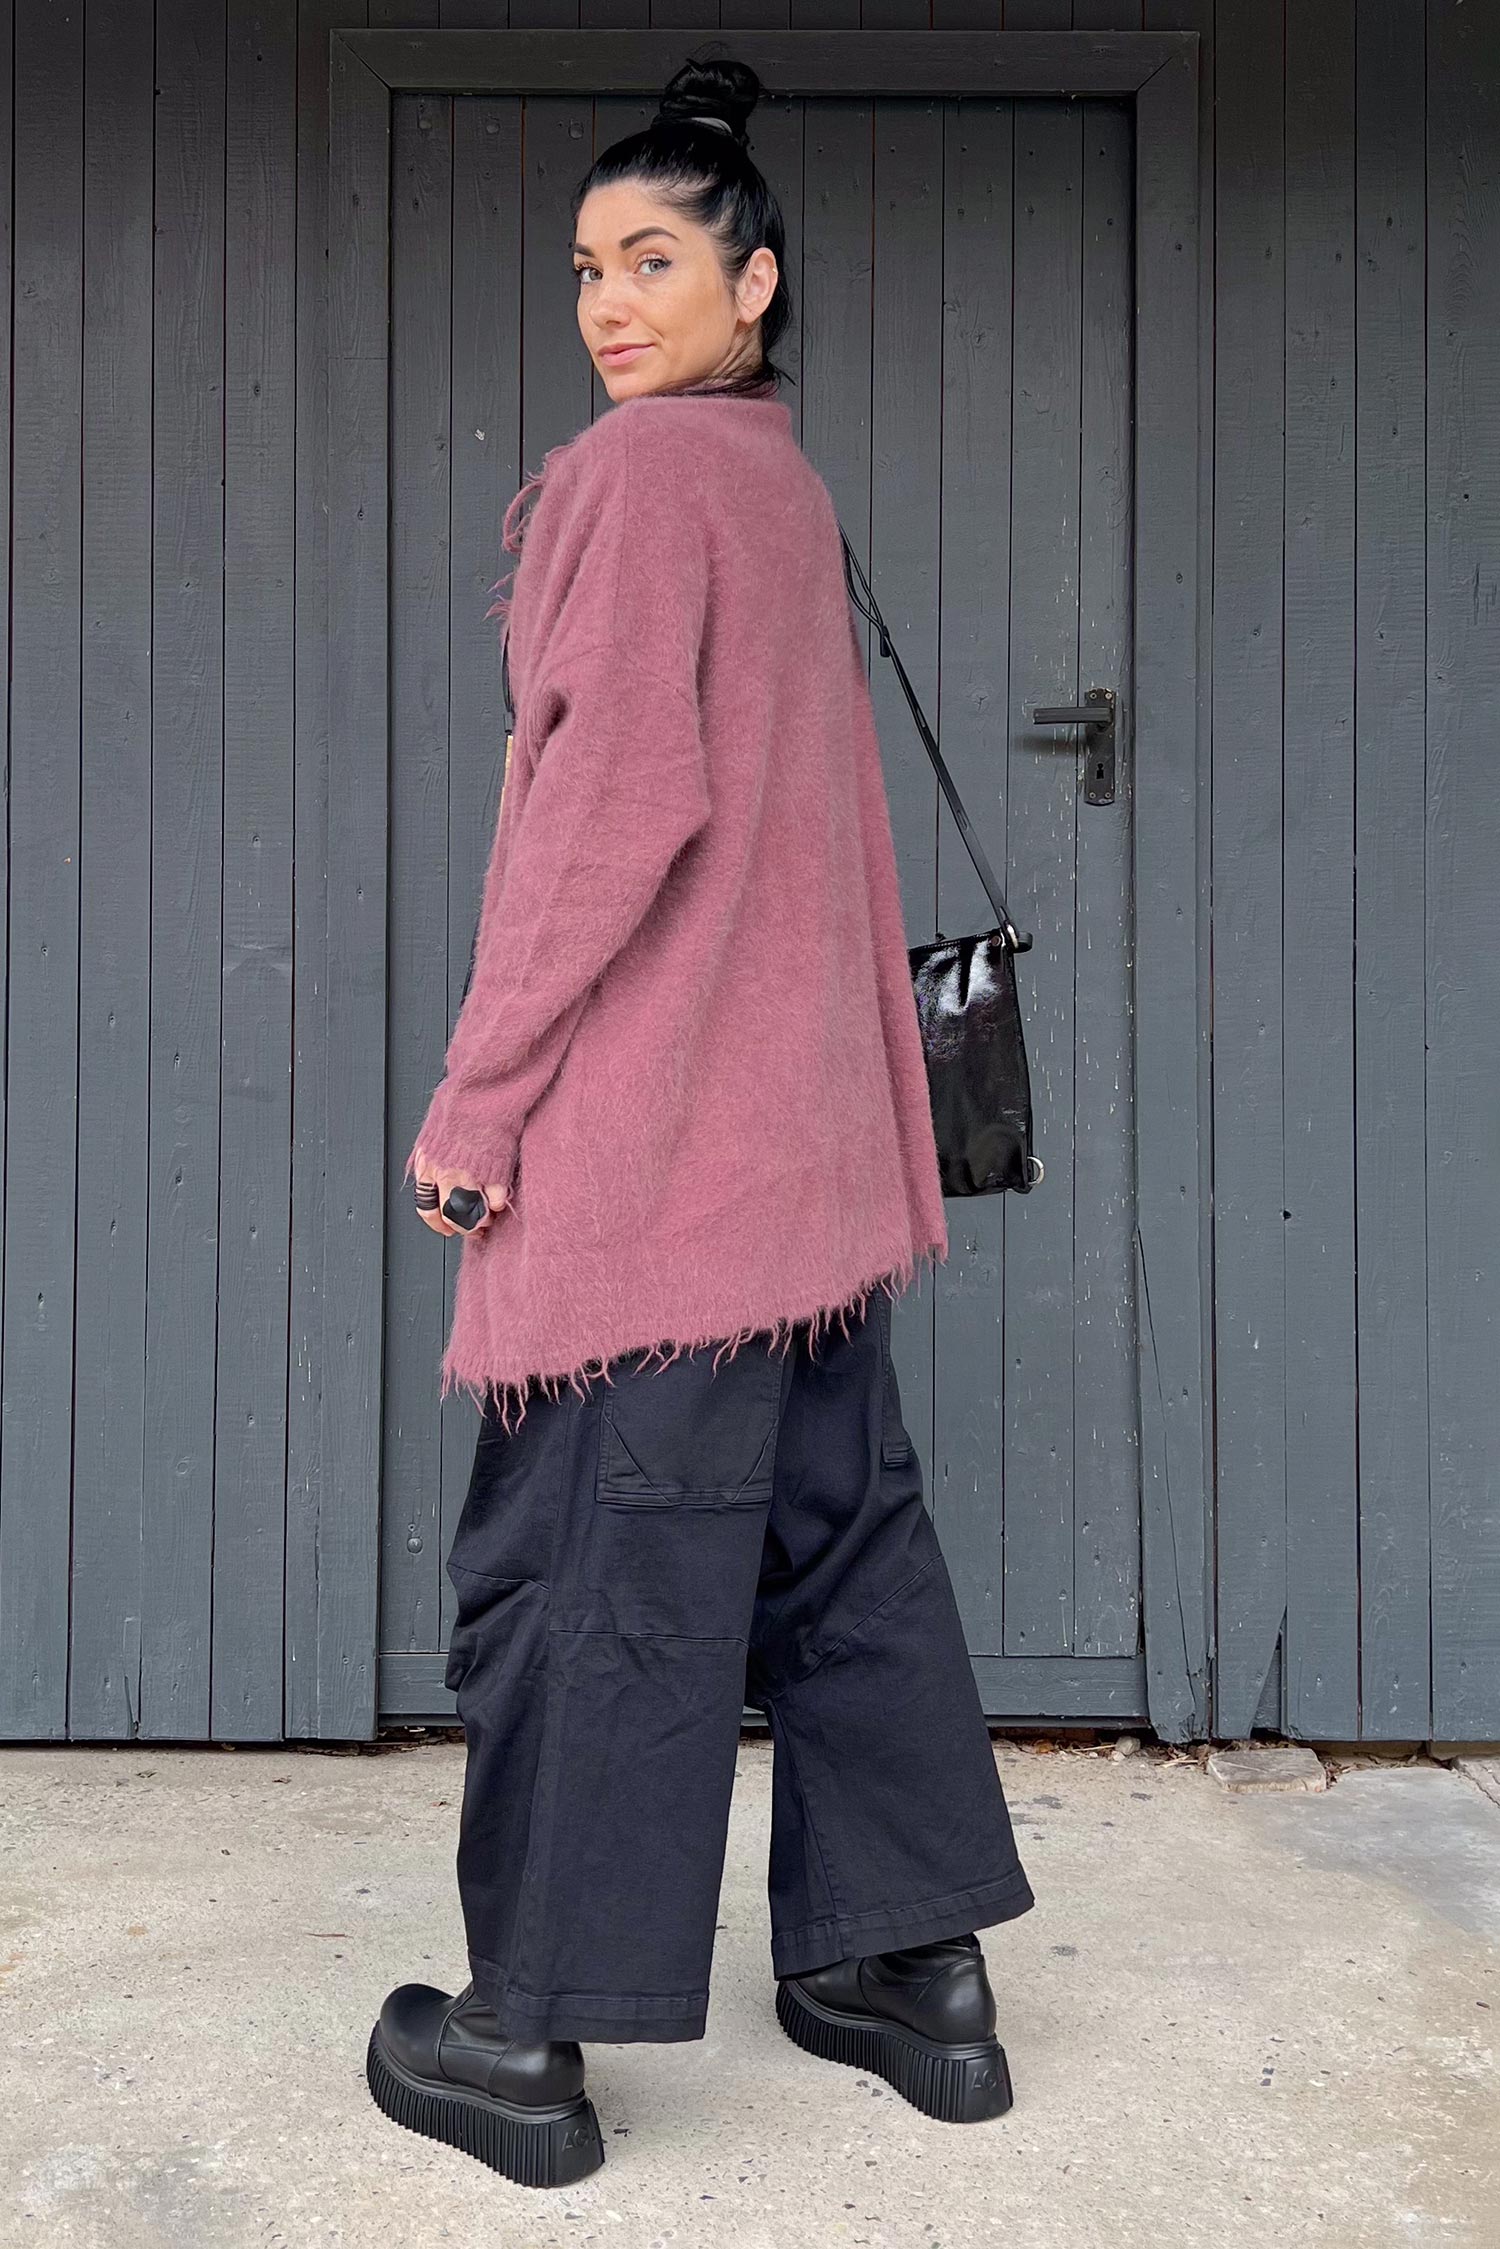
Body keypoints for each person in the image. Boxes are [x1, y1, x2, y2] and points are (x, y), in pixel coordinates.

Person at [366, 50, 1035, 2190]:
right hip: (812, 1158)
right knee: (841, 1545)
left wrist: (481, 1096)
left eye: (654, 260)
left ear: (756, 278)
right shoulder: (775, 480)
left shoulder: (638, 479)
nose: (608, 303)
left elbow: (614, 805)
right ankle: (909, 1970)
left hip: (664, 1163)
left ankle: (524, 2038)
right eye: (586, 267)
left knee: (598, 1568)